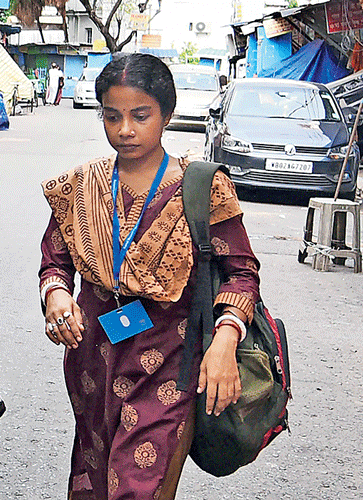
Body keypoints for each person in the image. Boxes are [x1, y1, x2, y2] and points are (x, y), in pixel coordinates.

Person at [38, 53, 261, 500]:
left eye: (140, 116)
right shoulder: (80, 187)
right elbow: (54, 261)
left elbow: (242, 272)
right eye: (112, 116)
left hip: (171, 364)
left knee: (138, 487)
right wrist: (57, 297)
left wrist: (224, 341)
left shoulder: (200, 188)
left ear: (167, 115)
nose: (125, 129)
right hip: (92, 363)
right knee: (94, 479)